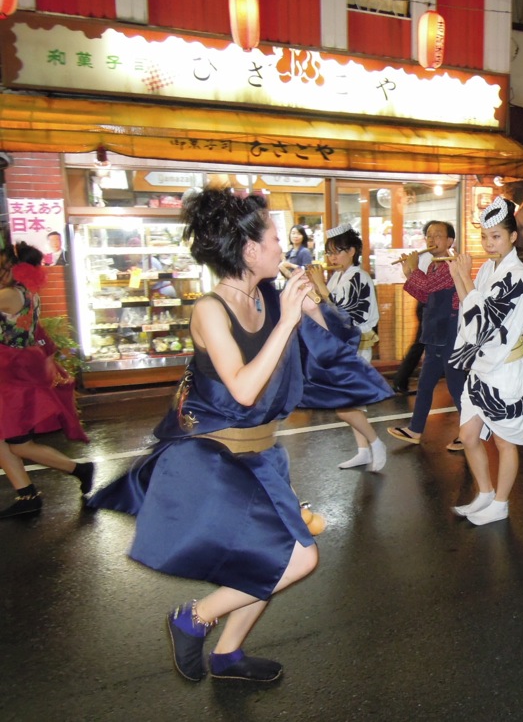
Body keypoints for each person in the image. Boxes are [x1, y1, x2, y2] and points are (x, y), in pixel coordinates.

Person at [88, 186, 391, 683]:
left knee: (266, 557)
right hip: (213, 455)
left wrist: (313, 307)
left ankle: (228, 653)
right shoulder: (210, 309)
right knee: (299, 556)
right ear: (250, 250)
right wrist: (288, 319)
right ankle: (195, 618)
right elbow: (246, 389)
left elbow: (333, 345)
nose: (284, 244)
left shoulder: (267, 294)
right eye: (274, 237)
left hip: (261, 454)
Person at [448, 197, 523, 526]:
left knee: (503, 440)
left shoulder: (518, 276)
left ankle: (501, 502)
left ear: (513, 237)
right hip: (480, 368)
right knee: (469, 435)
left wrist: (464, 280)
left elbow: (484, 321)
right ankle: (485, 492)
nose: (489, 243)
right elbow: (470, 312)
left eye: (496, 236)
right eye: (485, 236)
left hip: (504, 370)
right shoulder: (487, 268)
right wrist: (460, 275)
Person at [1, 241, 93, 518]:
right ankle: (26, 494)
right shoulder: (28, 293)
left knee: (17, 442)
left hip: (11, 376)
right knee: (3, 439)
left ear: (11, 269)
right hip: (17, 372)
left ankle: (79, 469)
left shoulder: (7, 294)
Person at [387, 221, 466, 451]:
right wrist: (409, 273)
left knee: (456, 384)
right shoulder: (432, 265)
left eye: (438, 236)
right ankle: (415, 429)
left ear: (450, 241)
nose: (431, 240)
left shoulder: (451, 264)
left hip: (450, 330)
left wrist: (414, 270)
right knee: (425, 383)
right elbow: (424, 295)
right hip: (433, 329)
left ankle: (469, 433)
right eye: (429, 236)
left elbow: (430, 286)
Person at [323, 224, 386, 470]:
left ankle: (376, 443)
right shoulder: (340, 275)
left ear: (351, 251)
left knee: (344, 407)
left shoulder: (359, 277)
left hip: (355, 347)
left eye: (337, 251)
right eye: (329, 252)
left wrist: (318, 286)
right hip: (344, 347)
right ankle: (363, 450)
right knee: (351, 404)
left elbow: (339, 313)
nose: (332, 257)